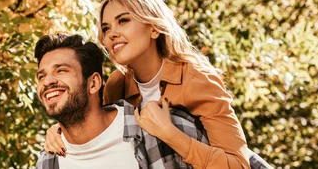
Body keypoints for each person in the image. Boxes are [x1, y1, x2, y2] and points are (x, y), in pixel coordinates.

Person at [43, 0, 251, 169]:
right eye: (106, 28)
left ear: (153, 28)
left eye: (123, 21)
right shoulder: (116, 84)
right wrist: (60, 130)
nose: (111, 34)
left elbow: (238, 165)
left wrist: (170, 134)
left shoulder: (197, 80)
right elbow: (94, 124)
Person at [34, 33, 210, 168]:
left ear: (93, 83)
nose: (47, 81)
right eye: (41, 76)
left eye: (61, 70)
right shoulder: (48, 161)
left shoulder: (166, 132)